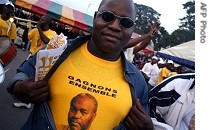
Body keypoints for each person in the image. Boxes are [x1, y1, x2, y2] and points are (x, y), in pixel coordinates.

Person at [7, 0, 153, 129]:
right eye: (108, 16)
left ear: (132, 30)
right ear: (96, 17)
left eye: (125, 22)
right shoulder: (56, 51)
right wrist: (19, 88)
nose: (115, 26)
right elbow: (22, 75)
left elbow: (142, 118)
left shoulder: (138, 82)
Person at [13, 14, 56, 108]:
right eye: (40, 19)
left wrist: (39, 29)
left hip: (42, 61)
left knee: (32, 80)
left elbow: (48, 42)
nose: (39, 21)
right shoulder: (35, 30)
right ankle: (24, 98)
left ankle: (26, 101)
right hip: (32, 56)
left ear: (47, 23)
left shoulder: (52, 33)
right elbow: (25, 39)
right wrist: (25, 29)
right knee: (23, 74)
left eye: (42, 20)